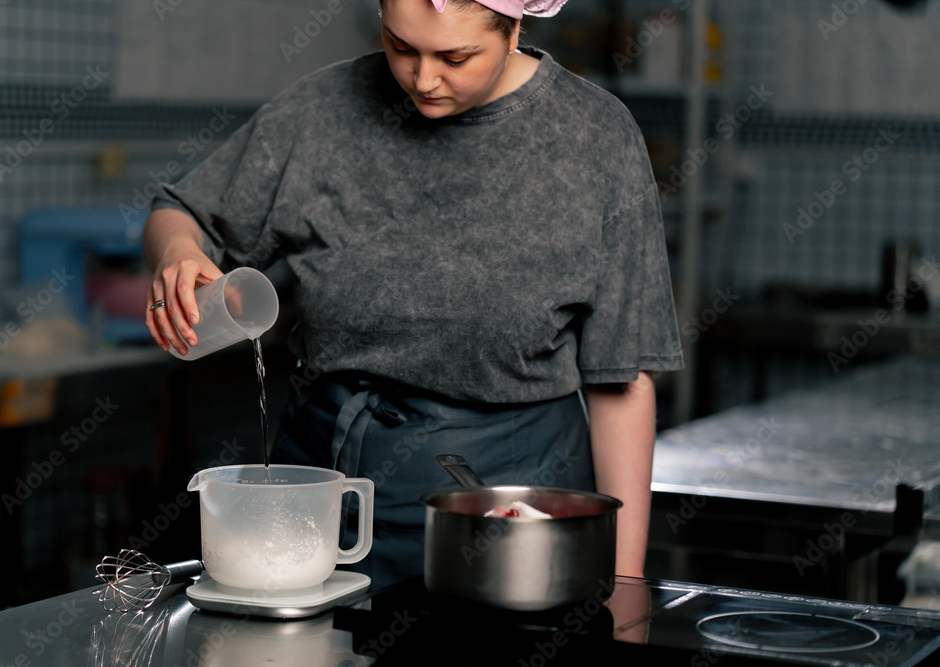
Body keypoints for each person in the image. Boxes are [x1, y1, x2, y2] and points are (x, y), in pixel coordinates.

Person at [143, 0, 683, 590]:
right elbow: (184, 211)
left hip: (505, 520)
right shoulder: (322, 110)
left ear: (515, 27)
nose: (423, 80)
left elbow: (621, 383)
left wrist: (625, 586)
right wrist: (177, 252)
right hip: (319, 506)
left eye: (456, 56)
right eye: (401, 46)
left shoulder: (594, 136)